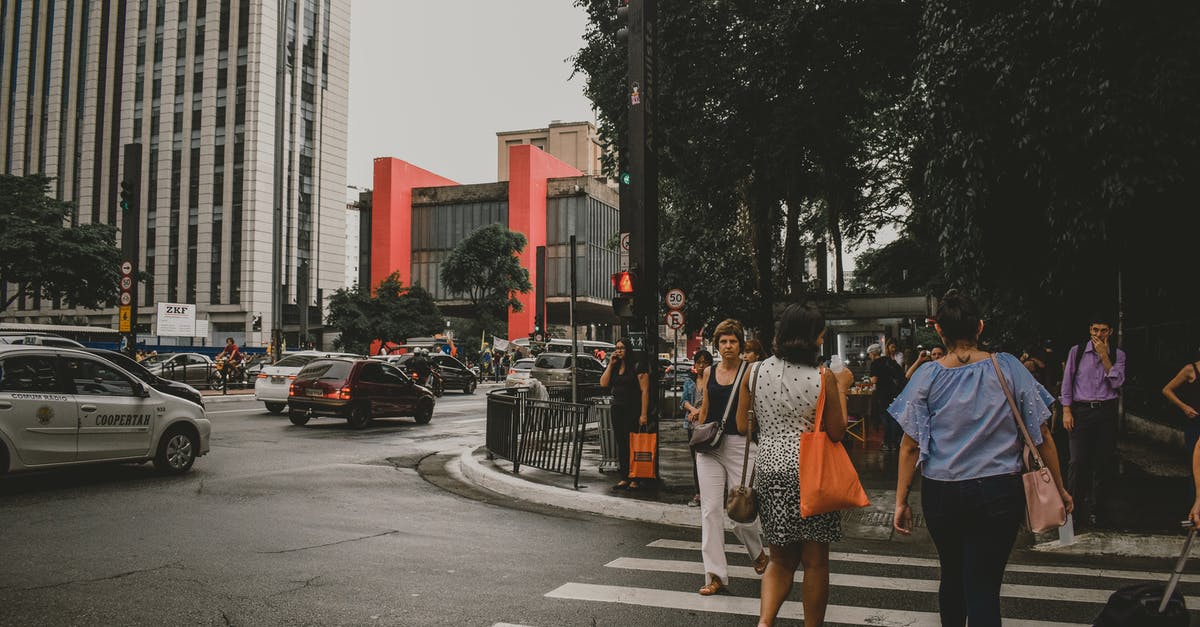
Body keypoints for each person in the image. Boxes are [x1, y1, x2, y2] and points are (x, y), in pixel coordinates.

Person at [892, 290, 1071, 627]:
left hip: (942, 493)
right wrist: (1060, 488)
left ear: (940, 332)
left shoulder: (926, 376)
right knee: (984, 586)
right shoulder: (1008, 367)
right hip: (998, 491)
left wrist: (901, 500)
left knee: (952, 576)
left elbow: (909, 446)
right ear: (981, 327)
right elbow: (1042, 434)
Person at [749, 305, 846, 627]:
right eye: (820, 331)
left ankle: (764, 623)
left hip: (769, 467)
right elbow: (836, 431)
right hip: (810, 470)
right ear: (809, 336)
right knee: (815, 561)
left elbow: (741, 422)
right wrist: (842, 388)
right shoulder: (823, 376)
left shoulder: (755, 371)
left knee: (779, 558)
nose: (822, 337)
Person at [693, 319, 766, 596]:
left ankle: (757, 552)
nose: (728, 346)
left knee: (741, 510)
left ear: (740, 343)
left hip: (741, 446)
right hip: (710, 446)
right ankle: (715, 575)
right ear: (717, 344)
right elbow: (705, 409)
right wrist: (697, 438)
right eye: (723, 342)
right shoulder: (709, 372)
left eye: (733, 341)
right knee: (710, 511)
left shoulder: (750, 371)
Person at [1061, 314, 1126, 528]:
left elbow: (1117, 383)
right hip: (1081, 411)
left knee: (1103, 463)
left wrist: (1105, 357)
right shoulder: (1076, 352)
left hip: (1106, 412)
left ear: (1110, 332)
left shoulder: (1118, 355)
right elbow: (1067, 381)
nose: (1099, 334)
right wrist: (1066, 410)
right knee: (1077, 462)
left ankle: (1099, 512)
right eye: (1096, 330)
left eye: (1103, 330)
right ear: (1090, 330)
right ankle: (1073, 512)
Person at [599, 338, 650, 491]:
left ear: (628, 350)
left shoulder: (637, 366)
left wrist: (643, 414)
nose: (619, 350)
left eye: (622, 348)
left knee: (633, 443)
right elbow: (603, 383)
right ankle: (624, 477)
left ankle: (635, 478)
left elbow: (645, 391)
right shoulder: (615, 367)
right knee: (621, 443)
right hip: (617, 408)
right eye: (617, 348)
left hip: (632, 409)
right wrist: (610, 364)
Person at [680, 349, 714, 508]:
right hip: (692, 426)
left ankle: (710, 493)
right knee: (696, 461)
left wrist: (698, 412)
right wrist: (693, 410)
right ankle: (698, 493)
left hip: (708, 425)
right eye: (699, 362)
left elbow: (713, 402)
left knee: (710, 459)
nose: (701, 366)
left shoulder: (713, 380)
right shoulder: (689, 381)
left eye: (705, 363)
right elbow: (683, 401)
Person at [870, 340, 906, 451]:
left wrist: (872, 379)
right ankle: (894, 442)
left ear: (872, 354)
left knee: (885, 418)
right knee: (893, 418)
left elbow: (874, 379)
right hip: (894, 393)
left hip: (882, 394)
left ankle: (887, 442)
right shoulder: (890, 360)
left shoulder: (875, 363)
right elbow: (901, 374)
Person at [1163, 348, 1200, 456]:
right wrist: (1184, 407)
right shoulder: (1190, 369)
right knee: (1196, 464)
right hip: (1196, 422)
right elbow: (1167, 390)